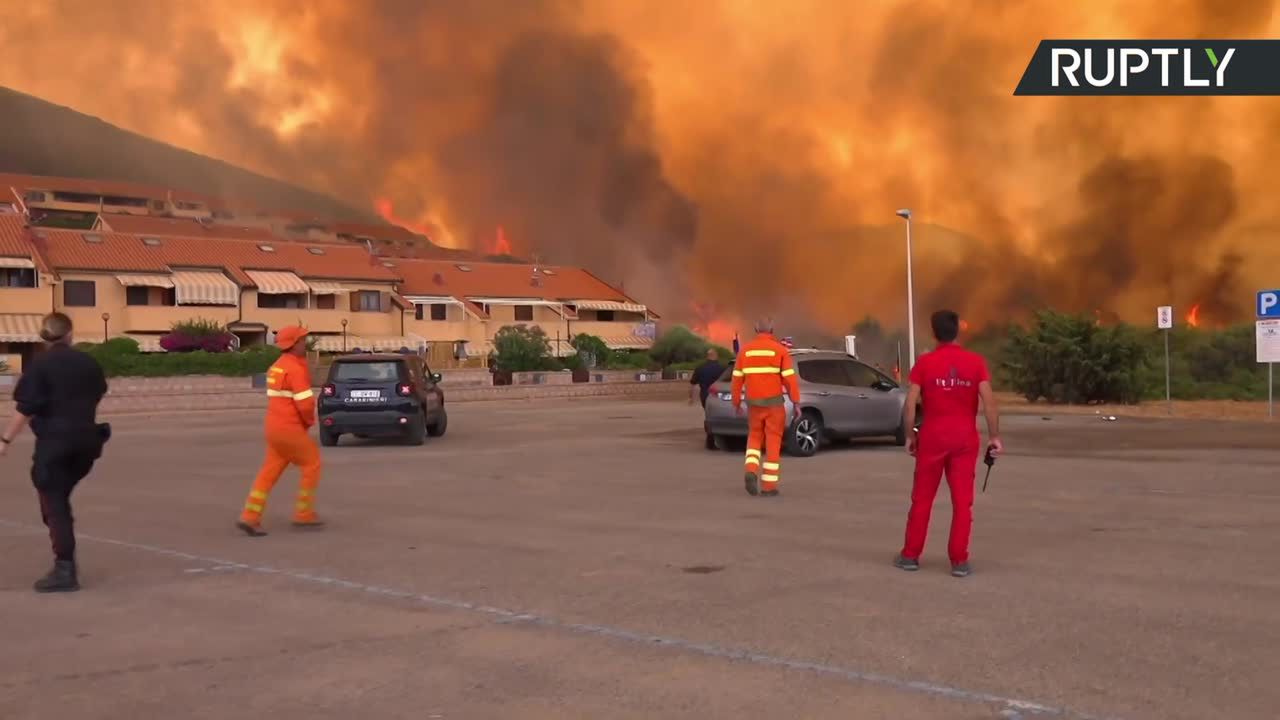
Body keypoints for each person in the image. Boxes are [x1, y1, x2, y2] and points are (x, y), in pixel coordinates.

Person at [0, 312, 109, 593]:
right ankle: (63, 549)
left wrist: (5, 440)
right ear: (70, 334)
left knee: (54, 501)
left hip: (56, 445)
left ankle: (64, 570)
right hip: (87, 444)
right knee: (58, 497)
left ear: (44, 336)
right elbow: (98, 393)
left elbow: (25, 408)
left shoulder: (39, 367)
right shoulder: (89, 363)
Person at [894, 310, 1002, 577]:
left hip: (931, 438)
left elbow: (910, 405)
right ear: (958, 330)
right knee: (962, 503)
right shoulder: (976, 362)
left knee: (922, 500)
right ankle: (959, 560)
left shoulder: (925, 363)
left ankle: (910, 556)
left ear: (934, 333)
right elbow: (989, 404)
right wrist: (995, 437)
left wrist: (910, 435)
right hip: (965, 440)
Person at [236, 326, 324, 536]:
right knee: (312, 464)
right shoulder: (295, 369)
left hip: (274, 428)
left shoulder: (276, 367)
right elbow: (304, 403)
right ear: (294, 344)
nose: (305, 343)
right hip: (290, 428)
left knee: (268, 473)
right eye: (302, 340)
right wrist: (309, 421)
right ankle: (304, 513)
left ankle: (250, 516)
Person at [731, 317, 801, 497]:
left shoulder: (744, 352)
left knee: (754, 439)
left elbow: (737, 380)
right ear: (772, 329)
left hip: (754, 404)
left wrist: (736, 402)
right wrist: (796, 402)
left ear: (755, 329)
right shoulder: (780, 351)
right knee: (773, 443)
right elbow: (789, 379)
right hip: (774, 405)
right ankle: (769, 487)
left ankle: (751, 470)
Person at [689, 347, 726, 450]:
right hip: (718, 396)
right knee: (719, 416)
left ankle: (711, 441)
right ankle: (717, 440)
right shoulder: (721, 368)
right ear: (715, 356)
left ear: (707, 356)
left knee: (709, 416)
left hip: (705, 396)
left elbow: (692, 384)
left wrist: (691, 398)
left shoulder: (700, 368)